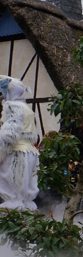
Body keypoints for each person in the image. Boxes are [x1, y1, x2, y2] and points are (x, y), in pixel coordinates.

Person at [0, 77, 39, 209]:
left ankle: (11, 217)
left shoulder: (12, 106)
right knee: (26, 193)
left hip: (16, 154)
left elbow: (9, 134)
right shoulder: (27, 108)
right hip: (30, 152)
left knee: (12, 192)